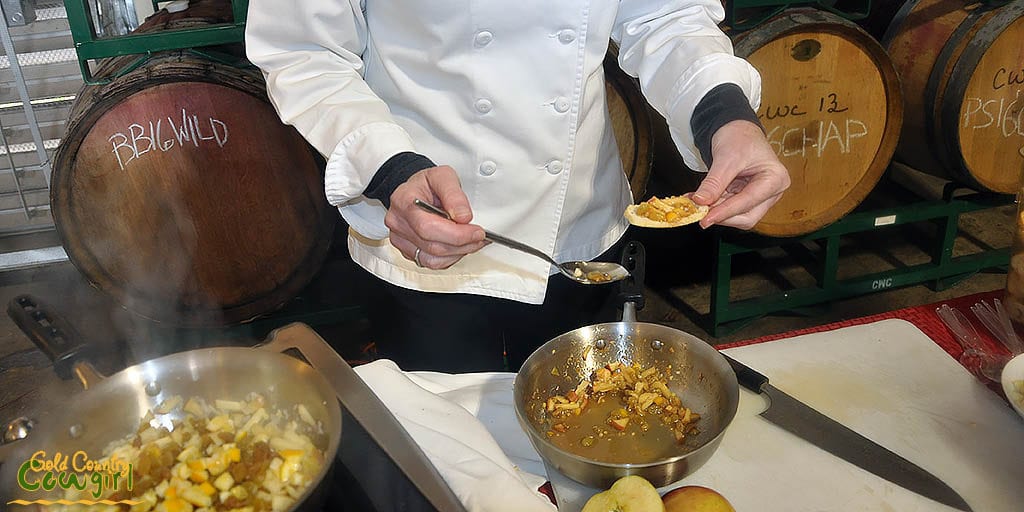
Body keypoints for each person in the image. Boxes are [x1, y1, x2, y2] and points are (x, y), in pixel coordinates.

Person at [244, 1, 790, 372]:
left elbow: (665, 13)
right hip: (418, 231)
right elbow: (304, 52)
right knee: (449, 463)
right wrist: (387, 168)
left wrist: (726, 116)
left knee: (591, 437)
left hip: (579, 229)